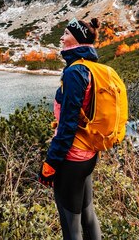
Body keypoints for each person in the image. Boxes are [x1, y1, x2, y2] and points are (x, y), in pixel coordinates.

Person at [38, 17, 103, 240]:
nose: (61, 37)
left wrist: (51, 163)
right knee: (88, 215)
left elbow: (67, 125)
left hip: (72, 159)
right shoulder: (91, 67)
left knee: (71, 228)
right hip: (88, 155)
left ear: (76, 39)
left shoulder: (75, 73)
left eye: (65, 33)